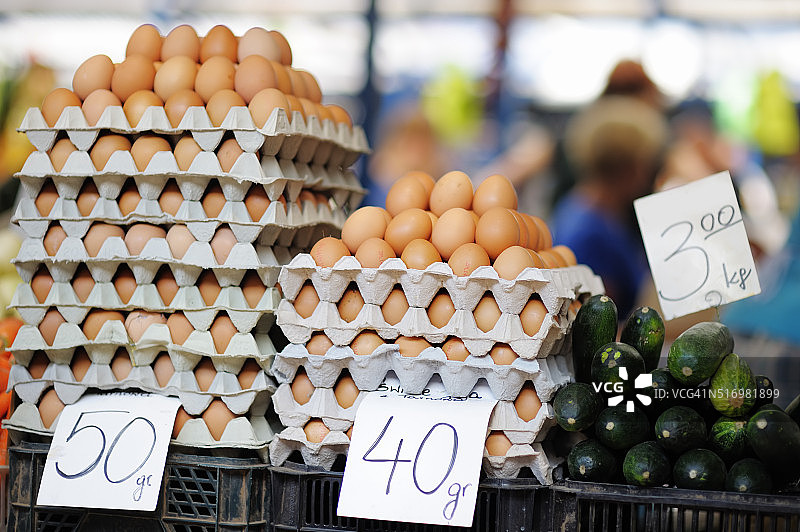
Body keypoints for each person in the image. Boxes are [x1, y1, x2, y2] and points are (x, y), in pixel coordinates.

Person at [550, 96, 669, 318]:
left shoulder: (587, 208)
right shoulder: (591, 234)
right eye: (645, 165)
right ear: (627, 168)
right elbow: (600, 323)